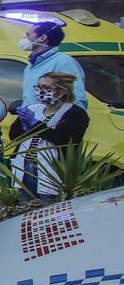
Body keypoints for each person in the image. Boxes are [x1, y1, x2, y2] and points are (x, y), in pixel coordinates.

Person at [10, 71, 90, 200]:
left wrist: (35, 124)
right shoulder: (33, 108)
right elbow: (14, 136)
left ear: (63, 91)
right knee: (24, 209)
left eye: (46, 87)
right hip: (24, 168)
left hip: (52, 173)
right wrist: (24, 127)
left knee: (47, 208)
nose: (40, 91)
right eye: (38, 87)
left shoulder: (75, 114)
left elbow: (64, 139)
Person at [20, 21, 87, 111]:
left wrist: (61, 122)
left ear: (42, 38)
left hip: (50, 123)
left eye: (28, 35)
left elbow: (76, 99)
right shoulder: (31, 65)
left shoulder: (64, 62)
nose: (25, 38)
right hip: (31, 123)